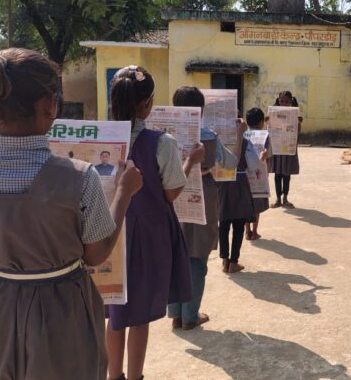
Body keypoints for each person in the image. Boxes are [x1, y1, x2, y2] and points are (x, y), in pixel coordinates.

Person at [0, 48, 142, 379]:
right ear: (49, 105)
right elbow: (96, 254)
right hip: (61, 309)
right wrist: (123, 194)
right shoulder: (80, 177)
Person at [106, 66, 203, 380]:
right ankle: (134, 376)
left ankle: (113, 375)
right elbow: (171, 191)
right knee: (139, 315)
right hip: (148, 233)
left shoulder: (102, 137)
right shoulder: (161, 142)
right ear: (148, 104)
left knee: (114, 312)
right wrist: (190, 162)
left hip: (107, 230)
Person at [168, 86, 239, 331]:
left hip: (171, 195)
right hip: (202, 196)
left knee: (176, 255)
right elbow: (230, 162)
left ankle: (176, 315)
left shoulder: (164, 137)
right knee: (197, 258)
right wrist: (238, 136)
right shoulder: (209, 137)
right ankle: (190, 316)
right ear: (200, 110)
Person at [218, 117, 257, 273]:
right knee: (239, 225)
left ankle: (224, 261)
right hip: (240, 184)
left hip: (221, 185)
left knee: (223, 223)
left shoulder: (217, 142)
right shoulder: (245, 142)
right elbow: (253, 164)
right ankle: (234, 262)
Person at [270, 91, 300, 208]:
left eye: (287, 101)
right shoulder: (273, 113)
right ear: (278, 101)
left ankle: (285, 198)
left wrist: (298, 122)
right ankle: (278, 199)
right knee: (278, 173)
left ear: (291, 102)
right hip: (278, 148)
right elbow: (270, 128)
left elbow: (298, 131)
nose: (284, 104)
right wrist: (268, 120)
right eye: (282, 101)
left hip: (288, 147)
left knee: (286, 173)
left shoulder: (294, 114)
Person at [244, 107, 270, 241]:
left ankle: (247, 231)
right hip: (259, 174)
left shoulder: (244, 134)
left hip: (245, 174)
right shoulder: (265, 135)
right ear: (261, 122)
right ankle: (254, 232)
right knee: (257, 205)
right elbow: (268, 154)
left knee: (246, 203)